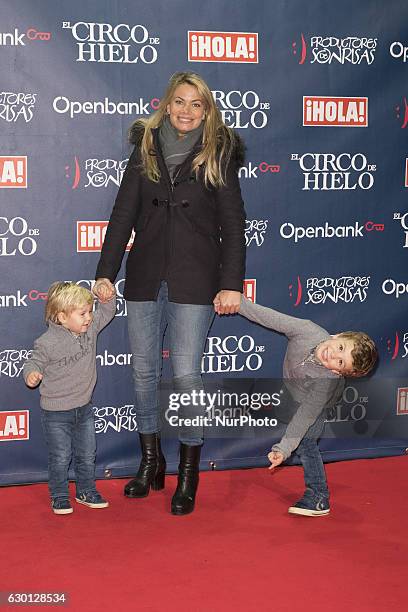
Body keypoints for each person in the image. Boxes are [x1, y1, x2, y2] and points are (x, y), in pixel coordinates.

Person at [93, 71, 246, 515]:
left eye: (195, 104)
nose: (185, 110)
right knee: (143, 373)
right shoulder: (144, 148)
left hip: (196, 278)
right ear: (166, 104)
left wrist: (231, 283)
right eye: (179, 101)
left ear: (207, 110)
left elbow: (233, 226)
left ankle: (188, 473)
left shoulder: (219, 153)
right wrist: (105, 272)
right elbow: (122, 214)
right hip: (144, 275)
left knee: (185, 377)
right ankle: (149, 462)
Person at [238, 295, 377, 517]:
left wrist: (283, 450)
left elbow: (305, 415)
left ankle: (319, 497)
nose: (334, 355)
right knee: (291, 424)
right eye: (340, 347)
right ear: (338, 335)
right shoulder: (307, 331)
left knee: (306, 443)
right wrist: (239, 303)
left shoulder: (326, 381)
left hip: (316, 403)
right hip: (294, 390)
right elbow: (270, 318)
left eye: (340, 362)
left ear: (337, 372)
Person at [23, 282, 116, 515]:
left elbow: (108, 311)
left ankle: (85, 490)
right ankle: (59, 494)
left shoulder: (90, 328)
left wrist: (105, 296)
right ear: (62, 317)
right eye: (82, 313)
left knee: (87, 454)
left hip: (84, 409)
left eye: (89, 311)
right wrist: (31, 375)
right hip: (56, 413)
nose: (89, 317)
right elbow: (33, 362)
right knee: (61, 457)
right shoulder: (47, 342)